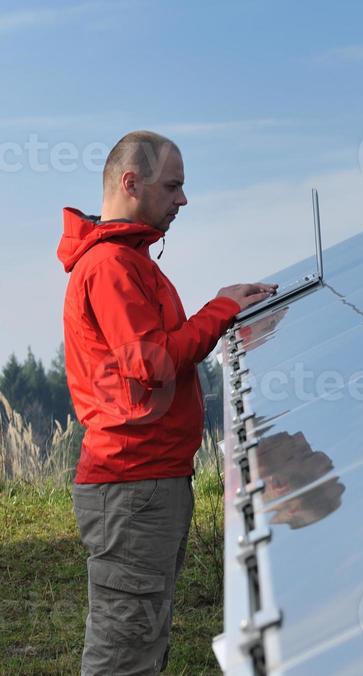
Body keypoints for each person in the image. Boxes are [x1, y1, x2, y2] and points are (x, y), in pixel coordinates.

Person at [56, 130, 277, 675]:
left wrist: (221, 309)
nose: (183, 199)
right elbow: (149, 362)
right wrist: (219, 311)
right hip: (132, 485)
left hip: (145, 483)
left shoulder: (128, 261)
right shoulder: (111, 266)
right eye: (174, 186)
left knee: (141, 639)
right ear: (131, 183)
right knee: (123, 653)